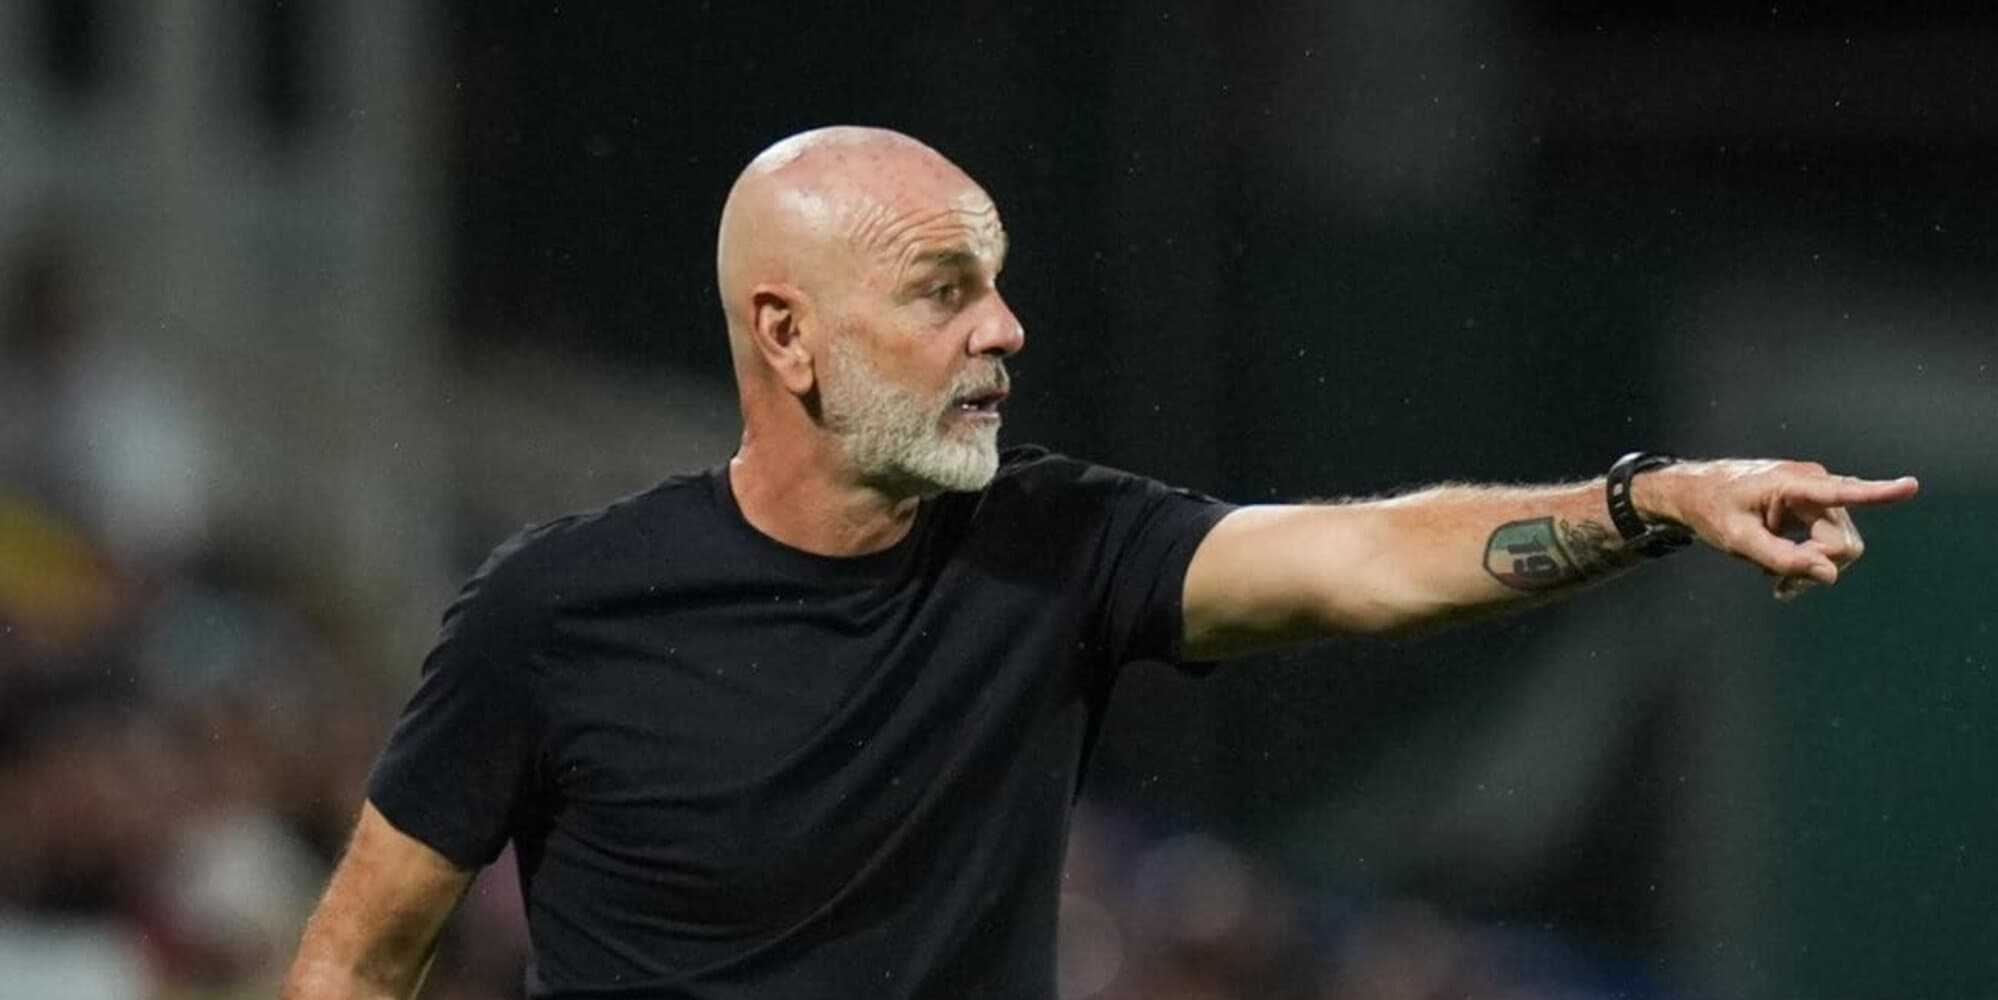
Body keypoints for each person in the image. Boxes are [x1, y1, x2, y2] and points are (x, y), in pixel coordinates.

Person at [280, 126, 1918, 999]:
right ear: (786, 334)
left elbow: (1359, 561)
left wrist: (1646, 502)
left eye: (995, 282)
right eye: (941, 291)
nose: (1003, 328)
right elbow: (357, 956)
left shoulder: (1056, 546)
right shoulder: (557, 609)